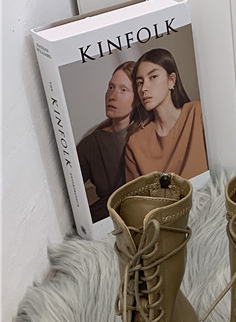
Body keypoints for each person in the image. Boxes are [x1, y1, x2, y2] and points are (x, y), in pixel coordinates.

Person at [125, 48, 208, 182]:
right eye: (139, 83)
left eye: (153, 77)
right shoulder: (135, 143)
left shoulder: (198, 113)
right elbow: (136, 193)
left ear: (171, 80)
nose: (144, 88)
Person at [77, 61, 145, 222]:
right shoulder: (92, 143)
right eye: (111, 87)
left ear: (137, 99)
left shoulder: (148, 133)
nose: (112, 96)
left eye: (123, 90)